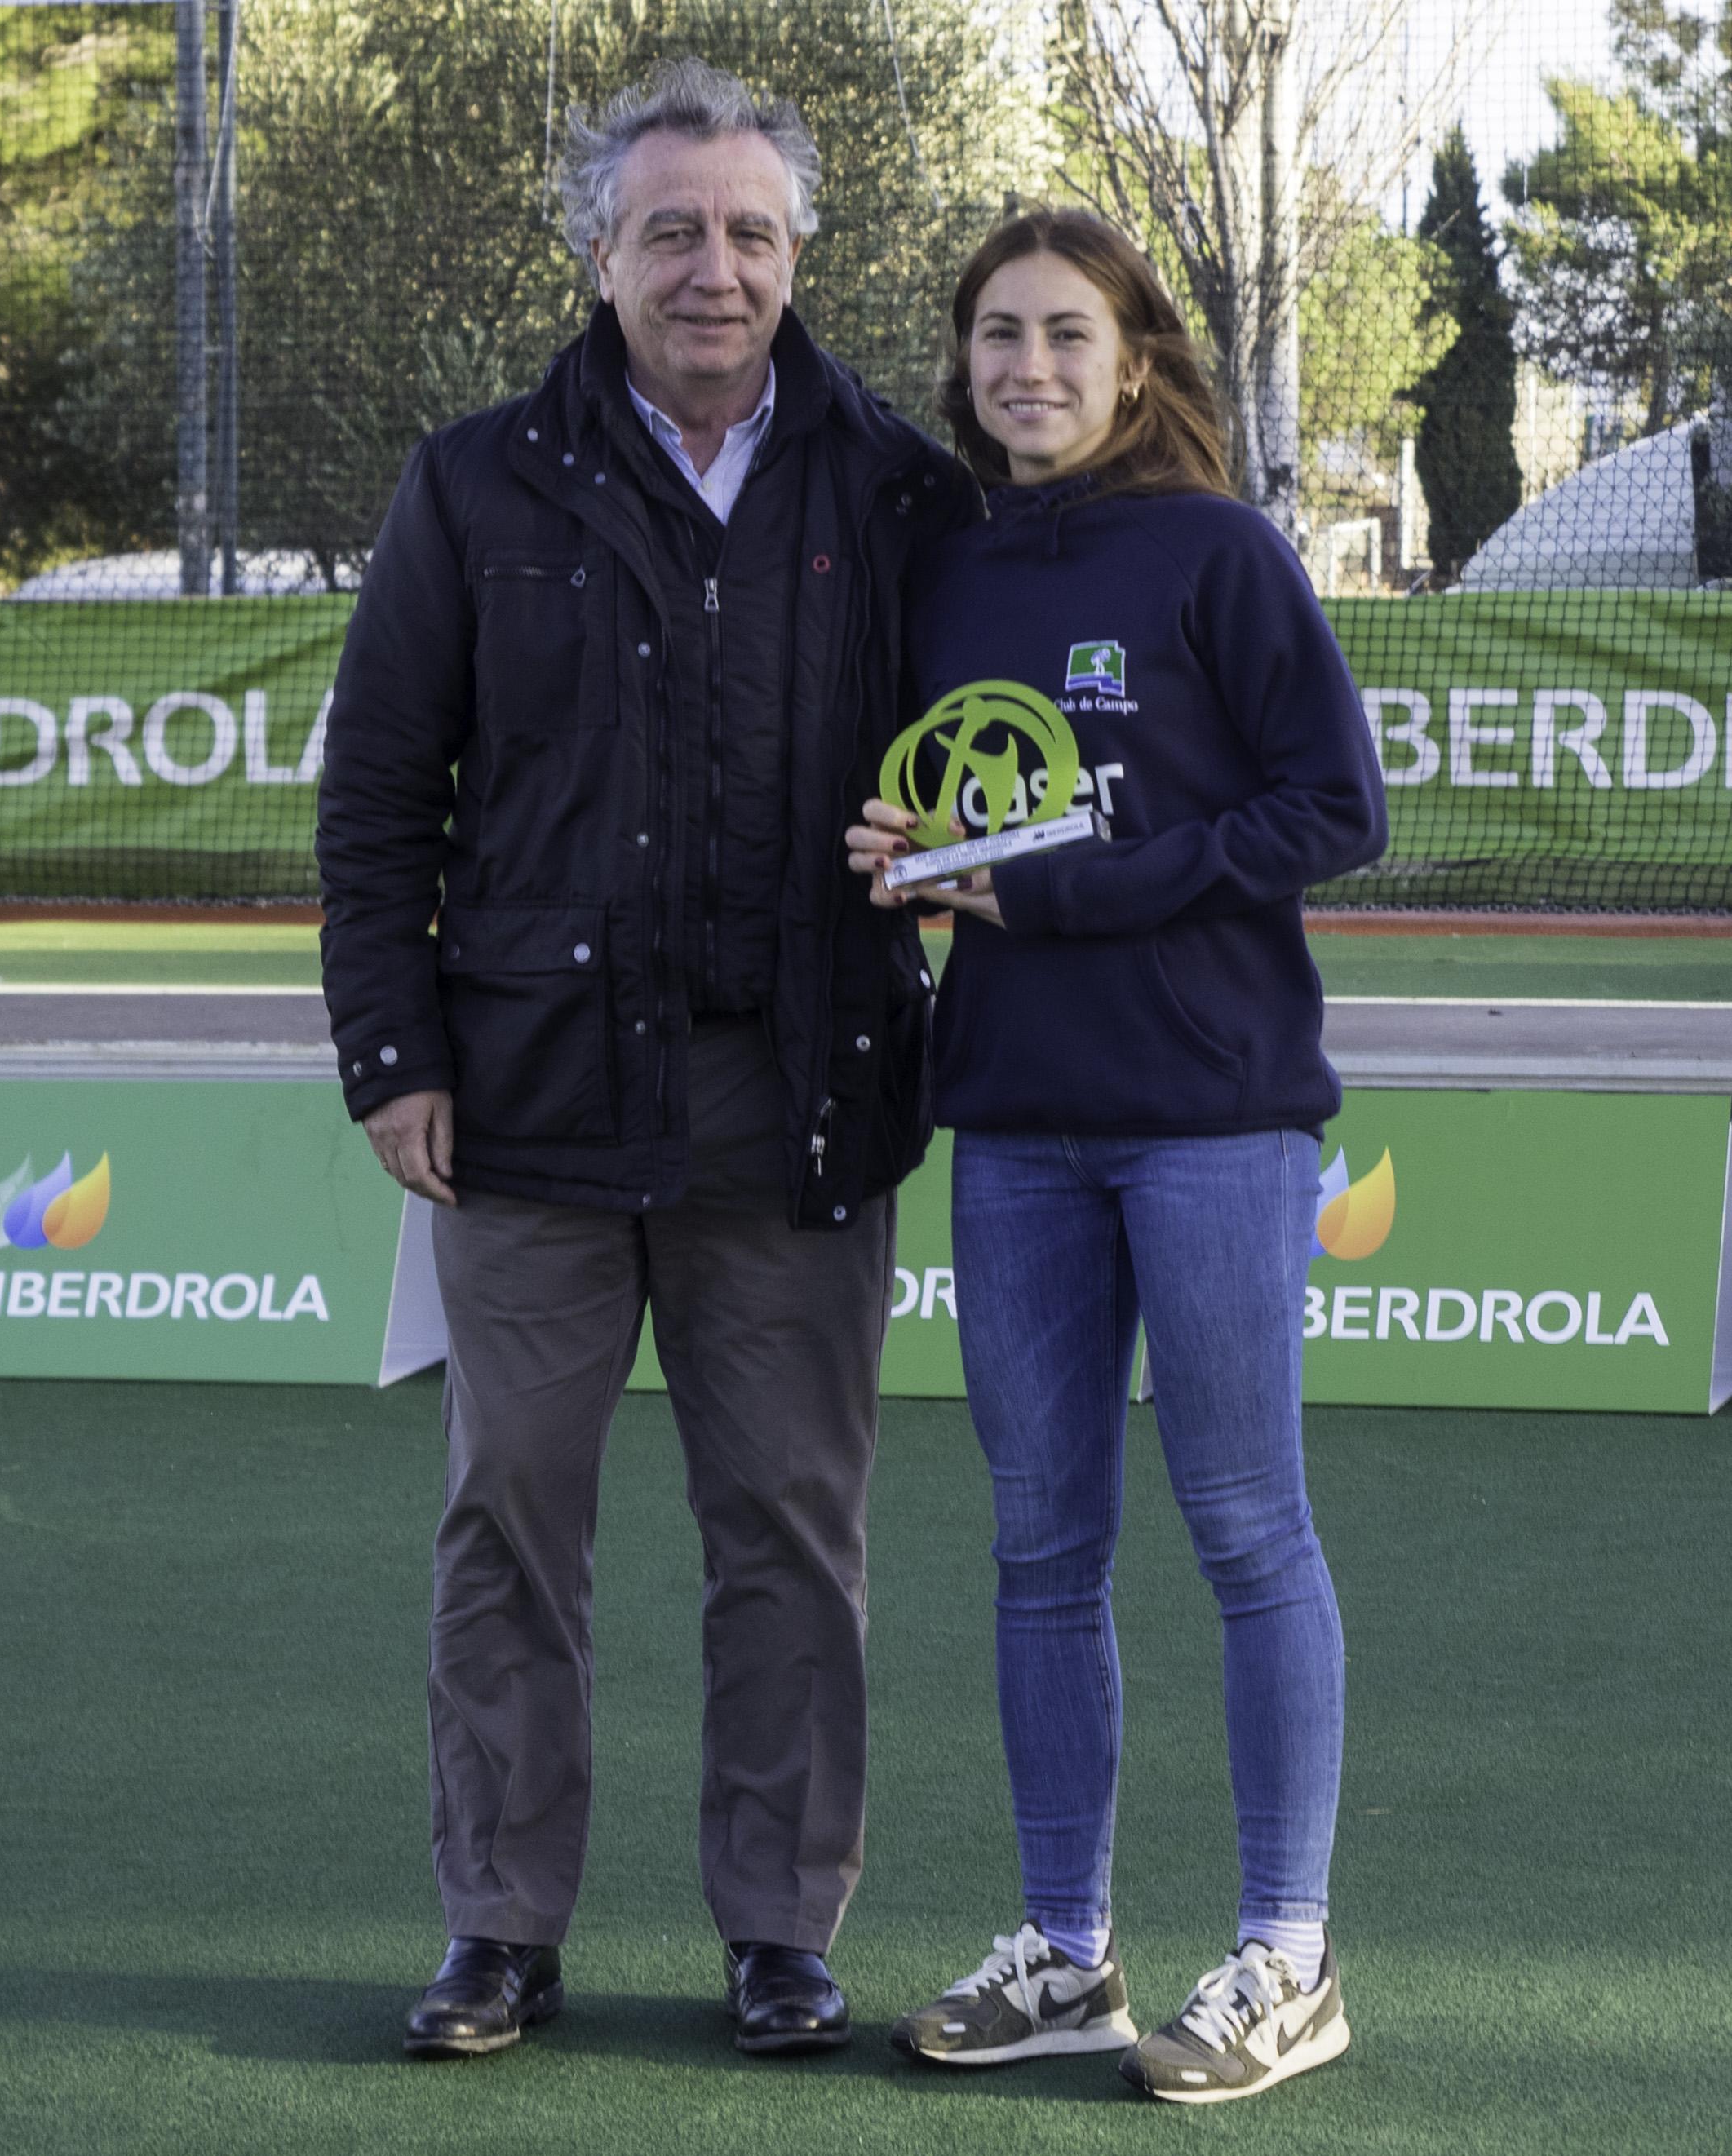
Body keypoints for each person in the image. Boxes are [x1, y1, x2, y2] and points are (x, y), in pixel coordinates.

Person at [317, 58, 977, 2061]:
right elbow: (376, 802)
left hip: (796, 1102)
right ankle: (499, 1926)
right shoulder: (472, 481)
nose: (714, 269)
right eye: (671, 231)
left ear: (799, 257)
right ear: (600, 254)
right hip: (524, 1102)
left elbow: (989, 760)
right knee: (509, 1517)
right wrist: (389, 1052)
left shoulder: (893, 485)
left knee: (788, 1525)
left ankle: (780, 1928)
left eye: (750, 233)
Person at [847, 209, 1386, 2103]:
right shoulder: (939, 565)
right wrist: (895, 852)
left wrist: (1075, 890)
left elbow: (1336, 807)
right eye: (996, 336)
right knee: (1036, 1545)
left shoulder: (1220, 552)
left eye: (1067, 337)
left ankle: (1284, 1953)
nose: (1028, 369)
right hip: (1006, 1121)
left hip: (1213, 1119)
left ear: (1137, 360)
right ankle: (1067, 1950)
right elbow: (937, 798)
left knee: (1245, 1528)